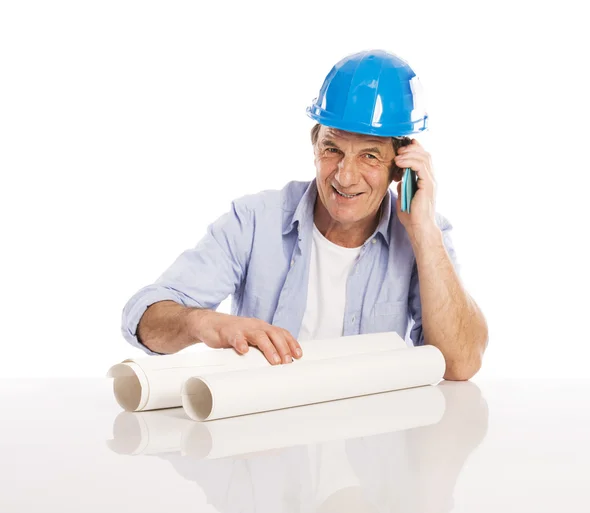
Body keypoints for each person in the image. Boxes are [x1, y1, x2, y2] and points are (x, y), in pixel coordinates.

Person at [121, 49, 488, 381]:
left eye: (370, 156)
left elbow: (460, 364)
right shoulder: (254, 220)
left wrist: (423, 232)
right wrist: (202, 322)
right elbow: (143, 317)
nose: (344, 176)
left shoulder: (425, 235)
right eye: (332, 149)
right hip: (268, 436)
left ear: (401, 167)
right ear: (315, 145)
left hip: (375, 443)